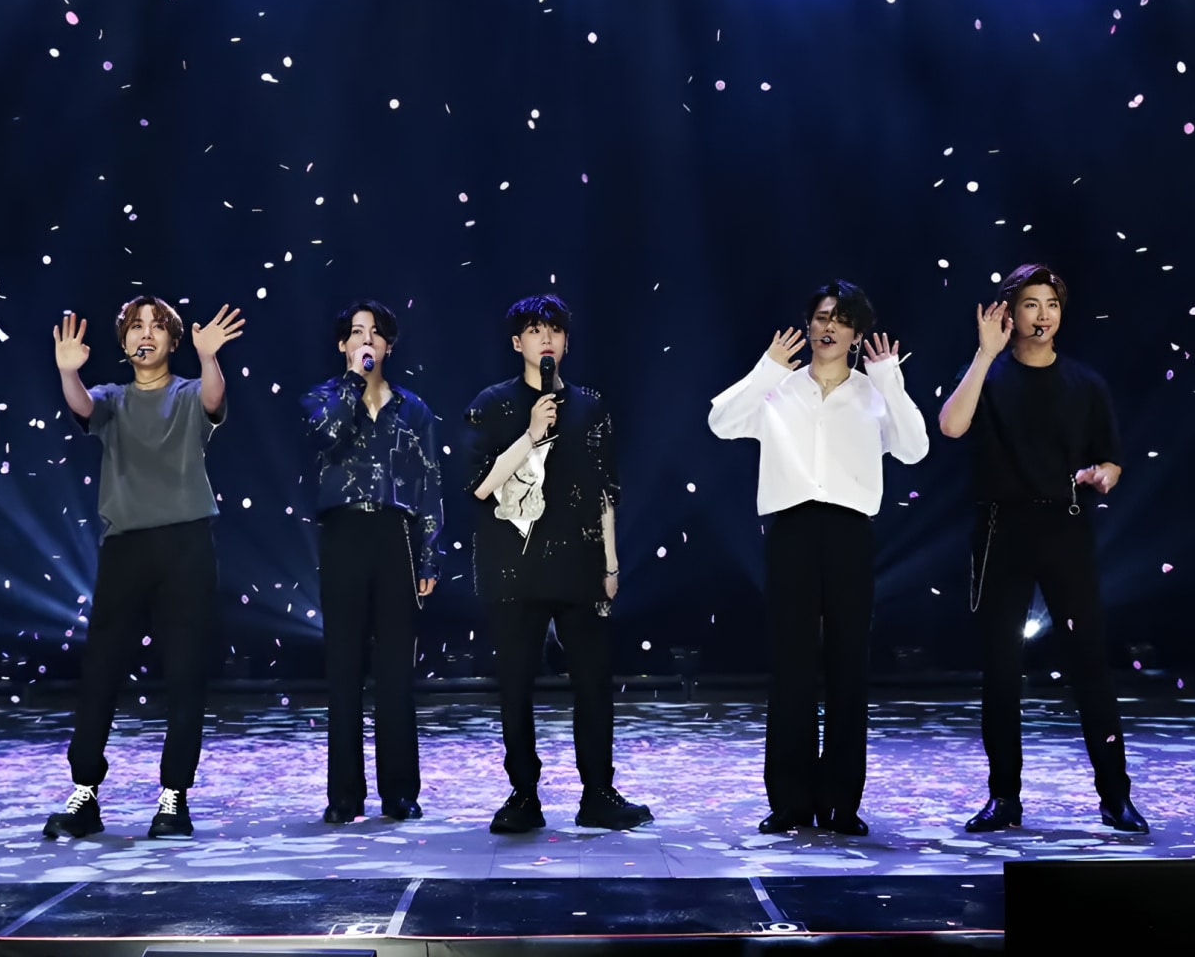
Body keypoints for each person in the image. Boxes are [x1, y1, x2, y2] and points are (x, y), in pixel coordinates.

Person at [707, 280, 929, 836]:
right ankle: (790, 800)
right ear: (808, 326)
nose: (829, 327)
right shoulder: (779, 388)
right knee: (792, 666)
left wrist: (890, 380)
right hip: (791, 530)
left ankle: (841, 803)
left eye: (842, 319)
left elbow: (914, 447)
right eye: (822, 317)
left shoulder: (873, 391)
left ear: (856, 334)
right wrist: (767, 369)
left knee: (849, 666)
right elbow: (720, 422)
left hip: (851, 531)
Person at [937, 264, 1148, 835]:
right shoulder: (988, 373)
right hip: (1000, 529)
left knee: (1089, 664)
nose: (1043, 315)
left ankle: (1116, 796)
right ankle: (1003, 796)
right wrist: (984, 355)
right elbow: (951, 426)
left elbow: (1112, 458)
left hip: (1065, 527)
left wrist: (1104, 474)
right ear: (1010, 311)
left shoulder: (1085, 382)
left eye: (1051, 304)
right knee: (1001, 669)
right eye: (1031, 304)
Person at [42, 296, 243, 840]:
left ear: (174, 341)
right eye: (135, 326)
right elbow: (83, 406)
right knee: (101, 670)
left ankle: (174, 796)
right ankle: (85, 791)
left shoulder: (188, 393)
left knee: (185, 672)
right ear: (124, 341)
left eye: (156, 327)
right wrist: (68, 372)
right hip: (126, 547)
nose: (145, 334)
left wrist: (209, 357)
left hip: (186, 545)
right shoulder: (112, 398)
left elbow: (213, 398)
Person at [463, 294, 652, 834]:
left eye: (555, 329)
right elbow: (479, 486)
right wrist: (530, 434)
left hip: (580, 563)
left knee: (593, 682)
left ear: (566, 342)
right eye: (533, 329)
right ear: (516, 342)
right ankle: (523, 794)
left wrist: (611, 563)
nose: (545, 337)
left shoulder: (591, 406)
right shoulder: (493, 403)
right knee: (516, 685)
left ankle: (598, 792)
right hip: (512, 566)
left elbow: (607, 491)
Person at [300, 299, 443, 824]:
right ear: (343, 345)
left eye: (376, 333)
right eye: (357, 333)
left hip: (395, 535)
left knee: (395, 672)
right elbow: (327, 436)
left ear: (389, 345)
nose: (367, 340)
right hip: (343, 533)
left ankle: (399, 791)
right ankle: (344, 795)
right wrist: (354, 386)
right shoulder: (321, 399)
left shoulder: (414, 409)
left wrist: (429, 555)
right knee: (344, 668)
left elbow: (429, 484)